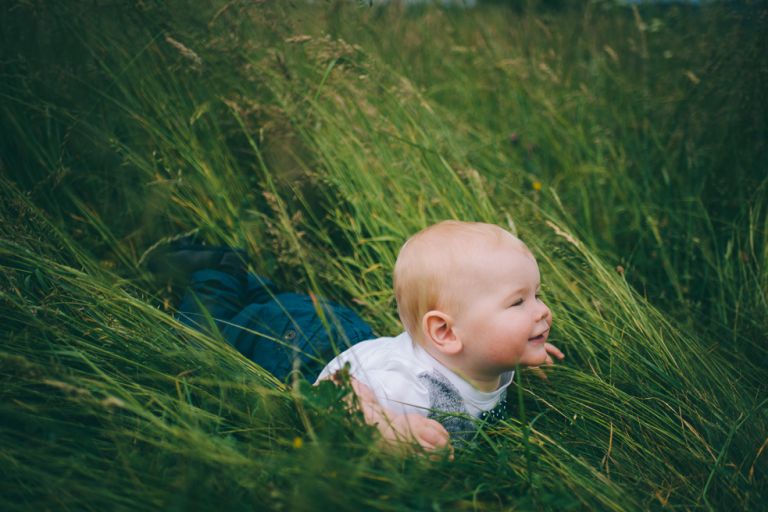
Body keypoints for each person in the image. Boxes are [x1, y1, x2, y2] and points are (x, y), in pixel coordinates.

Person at [316, 220, 564, 452]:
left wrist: (527, 350)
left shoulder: (491, 356)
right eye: (518, 302)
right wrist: (385, 428)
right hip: (318, 347)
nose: (542, 310)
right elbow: (330, 391)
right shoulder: (414, 389)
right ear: (446, 332)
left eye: (537, 295)